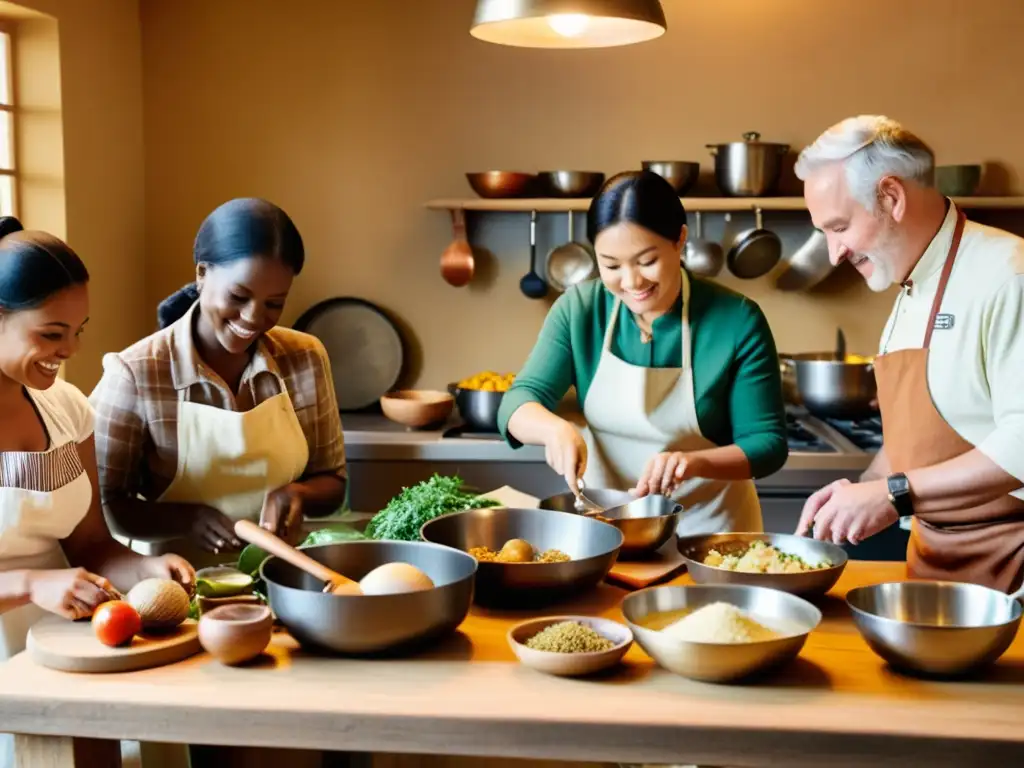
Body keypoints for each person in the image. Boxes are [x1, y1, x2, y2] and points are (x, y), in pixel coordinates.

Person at [794, 115, 1024, 592]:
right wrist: (861, 490)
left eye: (839, 227)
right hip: (933, 566)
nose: (834, 253)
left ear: (891, 197)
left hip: (1011, 571)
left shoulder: (1009, 275)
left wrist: (893, 493)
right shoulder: (907, 289)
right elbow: (912, 441)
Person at [0, 218, 194, 768]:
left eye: (79, 330)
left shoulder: (67, 407)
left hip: (68, 647)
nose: (72, 350)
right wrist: (31, 583)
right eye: (51, 334)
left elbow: (90, 543)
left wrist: (145, 570)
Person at [497, 170, 788, 535]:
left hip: (711, 532)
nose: (632, 282)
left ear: (679, 240)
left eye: (646, 260)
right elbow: (519, 401)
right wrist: (552, 429)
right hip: (608, 526)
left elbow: (767, 444)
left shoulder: (736, 319)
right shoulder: (579, 310)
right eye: (612, 265)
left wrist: (691, 462)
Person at [89, 198, 348, 570]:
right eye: (238, 297)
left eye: (274, 303)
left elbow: (333, 479)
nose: (253, 318)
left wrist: (299, 494)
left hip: (281, 575)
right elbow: (106, 506)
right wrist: (185, 519)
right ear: (201, 274)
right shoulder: (135, 373)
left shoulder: (305, 357)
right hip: (173, 588)